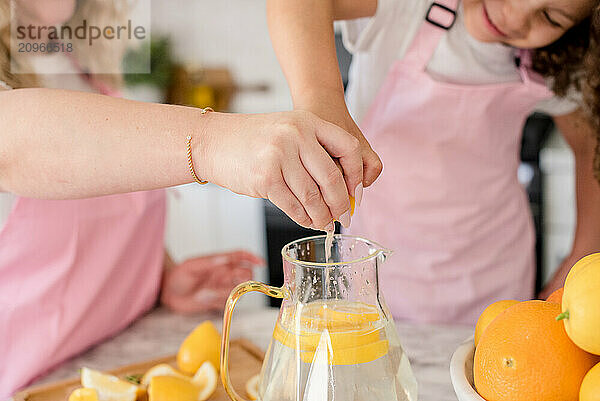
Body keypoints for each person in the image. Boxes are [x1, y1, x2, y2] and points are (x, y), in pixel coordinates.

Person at [0, 0, 373, 396]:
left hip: (122, 360)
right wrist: (214, 142)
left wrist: (161, 280)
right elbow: (11, 144)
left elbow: (94, 206)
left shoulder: (74, 60)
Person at [267, 0, 600, 324]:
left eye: (550, 17)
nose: (513, 17)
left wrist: (580, 257)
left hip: (495, 275)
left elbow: (590, 147)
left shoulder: (555, 63)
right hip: (377, 272)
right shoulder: (410, 7)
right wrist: (321, 102)